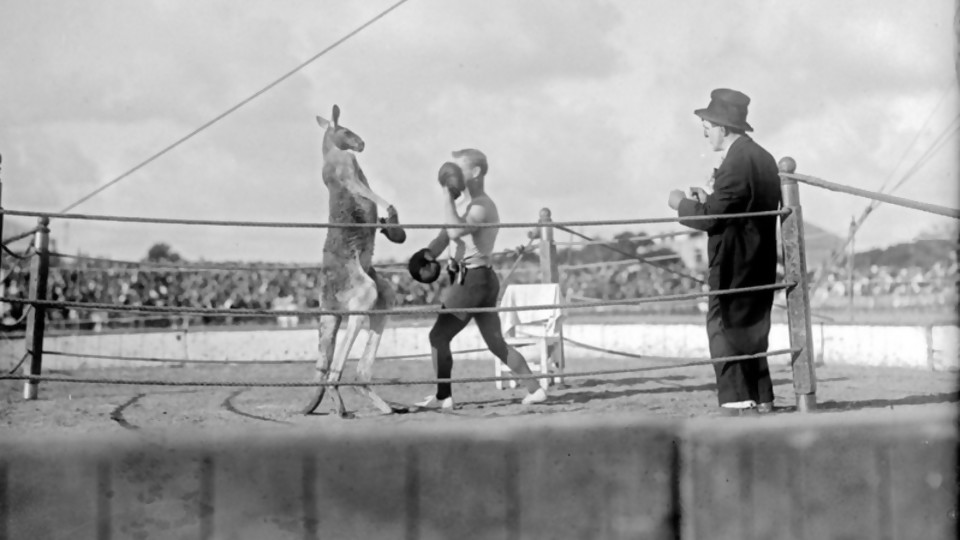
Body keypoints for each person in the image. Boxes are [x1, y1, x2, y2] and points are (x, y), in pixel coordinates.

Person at [668, 88, 781, 415]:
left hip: (734, 263)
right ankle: (763, 400)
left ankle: (737, 404)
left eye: (708, 125)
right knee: (754, 335)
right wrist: (709, 197)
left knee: (723, 329)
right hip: (760, 262)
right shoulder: (762, 158)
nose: (705, 132)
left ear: (723, 127)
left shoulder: (735, 163)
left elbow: (712, 219)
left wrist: (681, 203)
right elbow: (736, 207)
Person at [414, 149, 547, 409]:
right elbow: (444, 237)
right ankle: (535, 389)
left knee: (438, 337)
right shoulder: (465, 205)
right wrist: (425, 256)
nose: (453, 174)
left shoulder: (482, 206)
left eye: (459, 168)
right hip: (479, 279)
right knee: (496, 343)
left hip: (472, 281)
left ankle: (443, 397)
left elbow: (455, 230)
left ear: (475, 173)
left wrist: (444, 194)